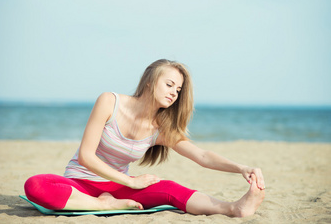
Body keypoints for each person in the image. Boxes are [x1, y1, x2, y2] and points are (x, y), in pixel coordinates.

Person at [24, 59, 265, 217]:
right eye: (170, 84)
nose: (174, 93)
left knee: (170, 189)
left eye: (178, 90)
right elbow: (86, 157)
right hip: (80, 184)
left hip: (119, 188)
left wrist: (241, 167)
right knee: (35, 185)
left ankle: (233, 209)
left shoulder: (161, 128)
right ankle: (101, 204)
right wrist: (130, 182)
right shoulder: (109, 102)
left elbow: (202, 155)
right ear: (150, 81)